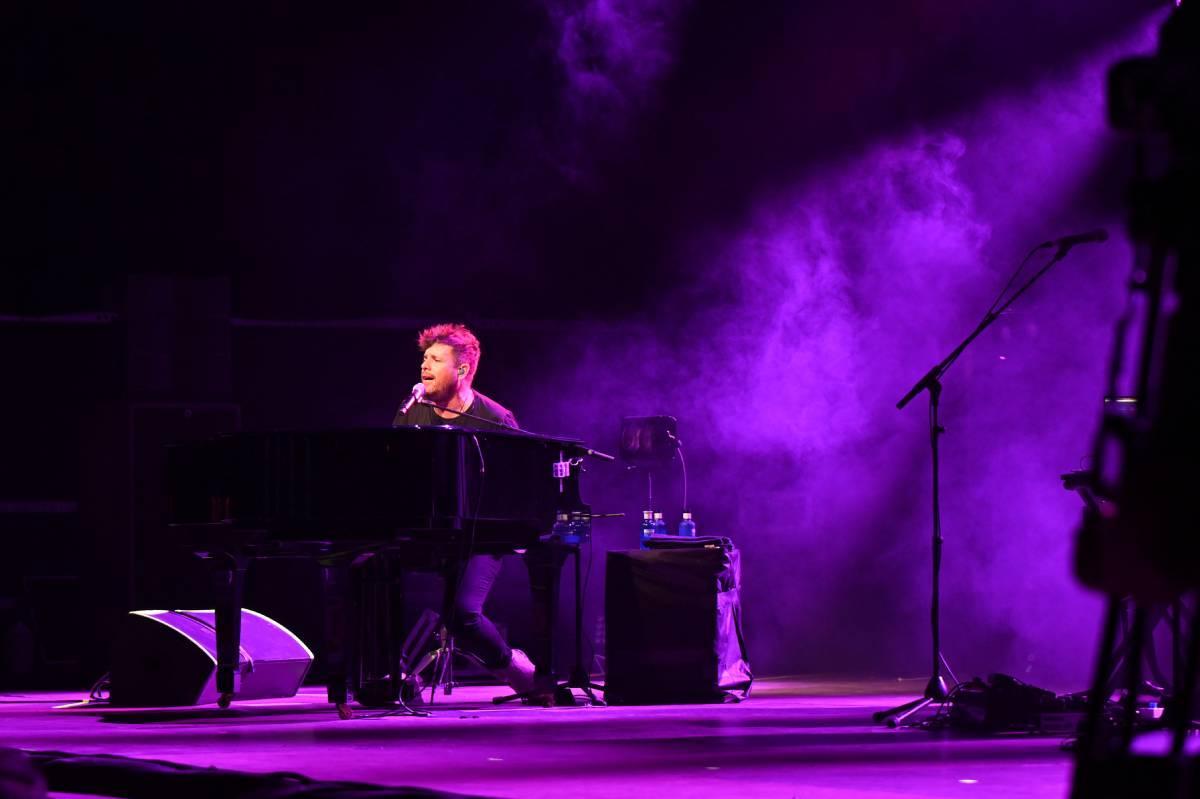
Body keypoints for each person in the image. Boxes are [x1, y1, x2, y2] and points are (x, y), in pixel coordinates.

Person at [392, 323, 537, 695]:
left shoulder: (494, 418)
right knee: (374, 580)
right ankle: (386, 676)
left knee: (462, 615)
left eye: (436, 360)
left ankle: (514, 668)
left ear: (461, 369)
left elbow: (520, 483)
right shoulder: (412, 411)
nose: (425, 366)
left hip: (481, 536)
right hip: (427, 533)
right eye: (424, 358)